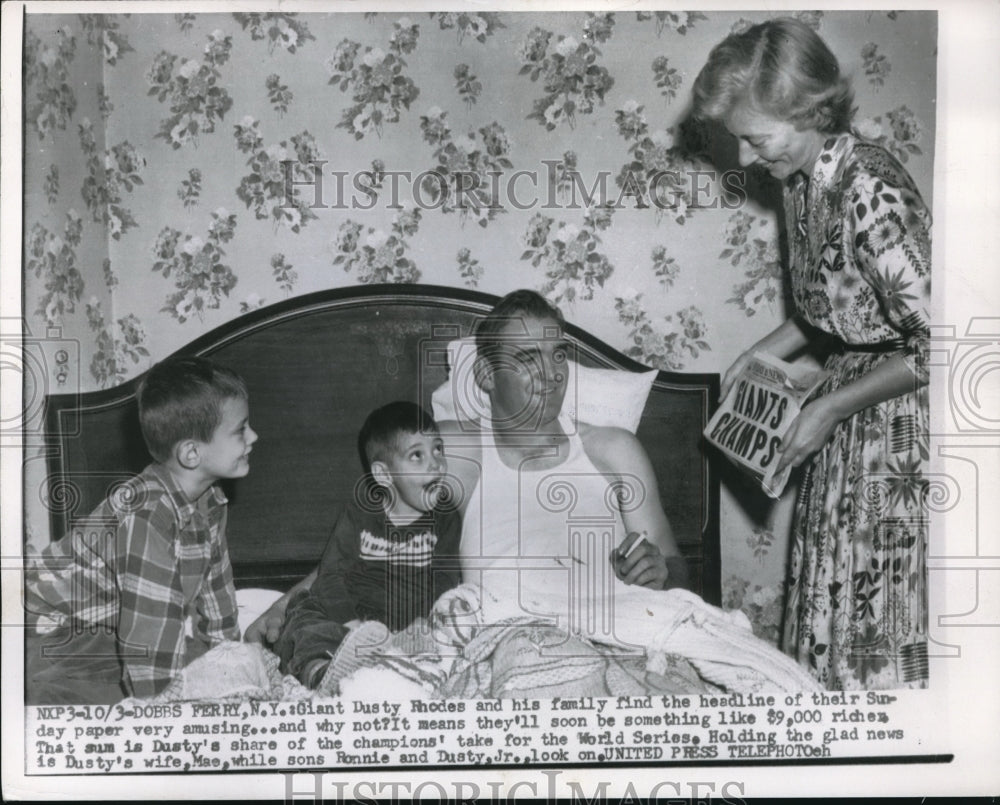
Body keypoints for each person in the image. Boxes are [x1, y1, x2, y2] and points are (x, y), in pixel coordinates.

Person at [692, 19, 930, 689]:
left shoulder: (870, 188)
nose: (744, 159)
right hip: (849, 411)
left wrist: (830, 408)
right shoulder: (801, 182)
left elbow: (944, 344)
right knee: (834, 608)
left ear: (807, 111)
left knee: (879, 621)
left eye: (755, 138)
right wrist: (760, 352)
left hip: (897, 426)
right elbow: (833, 308)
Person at [245, 291, 689, 646]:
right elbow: (367, 540)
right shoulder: (458, 452)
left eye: (557, 355)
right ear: (486, 375)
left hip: (617, 635)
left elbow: (677, 569)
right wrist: (283, 607)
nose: (552, 374)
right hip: (509, 647)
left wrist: (662, 571)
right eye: (528, 358)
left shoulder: (614, 451)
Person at [24, 356, 255, 703]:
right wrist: (163, 712)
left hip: (104, 630)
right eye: (241, 430)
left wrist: (231, 670)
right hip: (47, 631)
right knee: (153, 668)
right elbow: (149, 640)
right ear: (191, 453)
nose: (254, 436)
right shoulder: (147, 515)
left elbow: (218, 600)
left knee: (210, 662)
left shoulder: (211, 503)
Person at [273, 401, 462, 689]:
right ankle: (321, 673)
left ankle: (399, 666)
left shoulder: (446, 517)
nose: (436, 463)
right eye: (417, 455)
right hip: (350, 618)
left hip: (406, 625)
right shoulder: (361, 513)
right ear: (384, 474)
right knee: (303, 612)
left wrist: (423, 622)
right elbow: (331, 576)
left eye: (438, 449)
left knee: (452, 624)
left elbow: (444, 580)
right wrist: (351, 624)